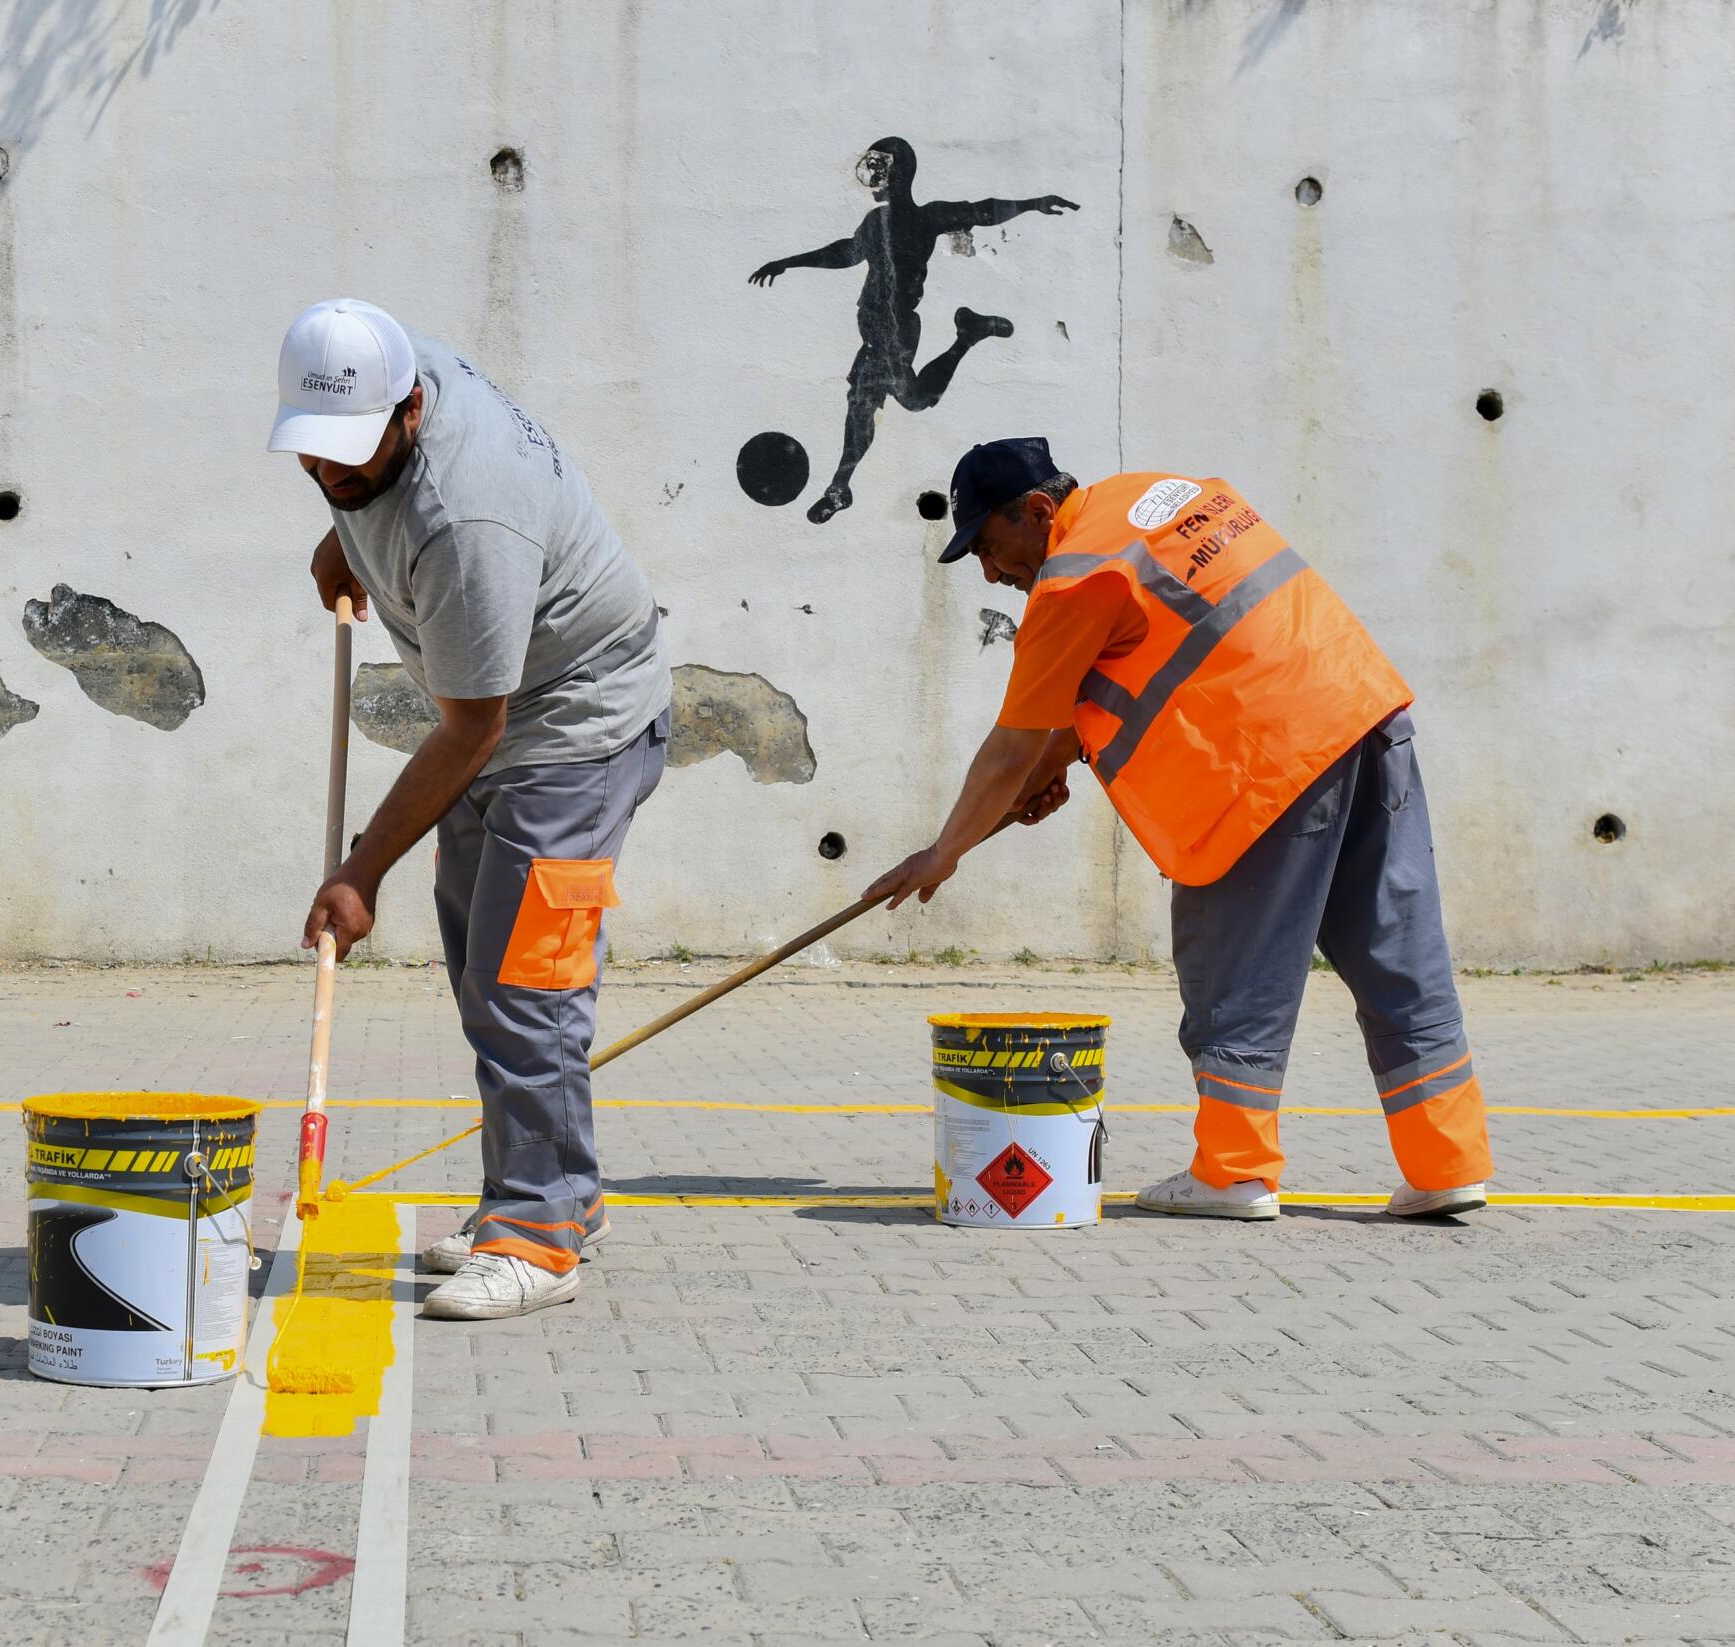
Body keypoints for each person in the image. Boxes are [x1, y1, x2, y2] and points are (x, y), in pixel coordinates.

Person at [864, 438, 1494, 1220]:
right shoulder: (1163, 498)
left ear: (1037, 512)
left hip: (1265, 767)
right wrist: (1053, 766)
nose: (991, 574)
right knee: (1397, 950)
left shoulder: (1073, 576)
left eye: (990, 547)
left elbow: (1010, 747)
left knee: (1236, 971)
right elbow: (1156, 658)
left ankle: (1233, 1171)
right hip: (1360, 713)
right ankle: (1447, 1162)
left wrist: (942, 852)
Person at [267, 299, 671, 1319]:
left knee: (524, 982)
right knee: (485, 976)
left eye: (352, 461)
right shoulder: (399, 376)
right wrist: (350, 538)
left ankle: (536, 1236)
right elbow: (356, 489)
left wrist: (360, 872)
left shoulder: (467, 521)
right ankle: (560, 1194)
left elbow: (469, 729)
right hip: (505, 720)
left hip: (574, 732)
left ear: (409, 409)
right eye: (314, 460)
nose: (332, 478)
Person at [747, 137, 1076, 524]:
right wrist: (789, 262)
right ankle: (967, 335)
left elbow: (982, 211)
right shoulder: (875, 223)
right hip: (878, 332)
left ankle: (840, 485)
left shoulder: (926, 218)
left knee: (881, 401)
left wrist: (1031, 204)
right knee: (901, 399)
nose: (872, 180)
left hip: (895, 329)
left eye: (879, 170)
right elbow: (845, 252)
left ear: (898, 174)